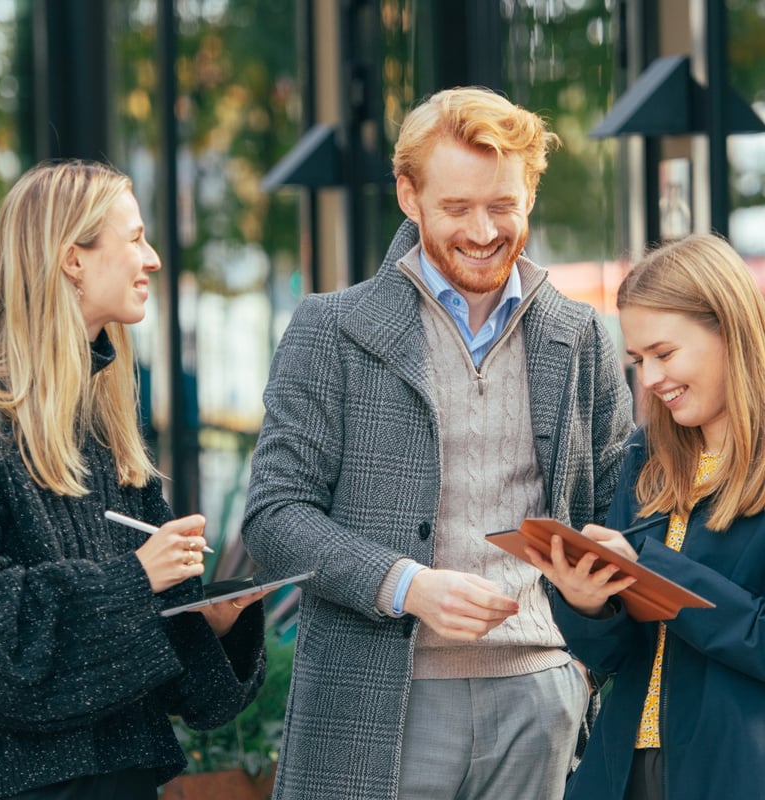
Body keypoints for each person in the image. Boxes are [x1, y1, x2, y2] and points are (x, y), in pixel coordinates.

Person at [242, 86, 634, 800]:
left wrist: (580, 670)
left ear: (530, 195)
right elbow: (274, 515)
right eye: (456, 208)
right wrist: (406, 585)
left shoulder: (579, 338)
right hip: (380, 700)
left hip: (540, 699)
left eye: (502, 206)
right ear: (408, 194)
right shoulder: (330, 329)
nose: (484, 231)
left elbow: (618, 512)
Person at [0, 160, 267, 800]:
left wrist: (210, 620)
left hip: (126, 779)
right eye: (133, 238)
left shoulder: (110, 431)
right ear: (73, 258)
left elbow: (167, 666)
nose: (152, 259)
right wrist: (138, 577)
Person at [528, 233, 765, 800]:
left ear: (728, 330)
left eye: (664, 353)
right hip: (620, 770)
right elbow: (616, 656)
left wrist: (654, 571)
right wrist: (590, 603)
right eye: (637, 360)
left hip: (732, 771)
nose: (651, 379)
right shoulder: (646, 460)